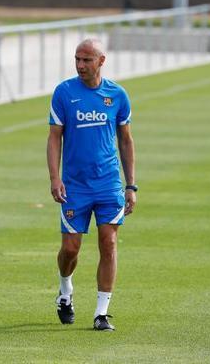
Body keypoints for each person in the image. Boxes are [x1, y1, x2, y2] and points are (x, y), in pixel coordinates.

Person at [47, 38, 137, 332]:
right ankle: (65, 289)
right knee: (70, 249)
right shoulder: (64, 93)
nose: (81, 65)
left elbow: (126, 140)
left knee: (108, 243)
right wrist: (54, 177)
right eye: (77, 59)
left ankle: (101, 313)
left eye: (87, 60)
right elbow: (54, 137)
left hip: (109, 183)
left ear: (101, 61)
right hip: (75, 185)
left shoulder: (117, 95)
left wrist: (131, 185)